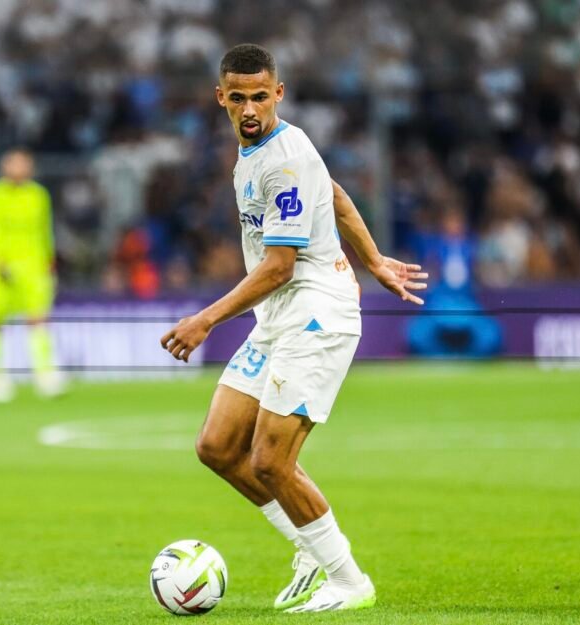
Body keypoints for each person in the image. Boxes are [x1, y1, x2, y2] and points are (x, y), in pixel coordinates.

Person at [161, 45, 428, 612]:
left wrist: (206, 319)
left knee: (269, 462)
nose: (250, 108)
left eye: (261, 96)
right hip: (280, 316)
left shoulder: (283, 157)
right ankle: (307, 545)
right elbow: (331, 194)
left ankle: (349, 581)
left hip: (315, 313)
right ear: (221, 99)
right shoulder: (258, 152)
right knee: (217, 446)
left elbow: (280, 265)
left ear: (278, 93)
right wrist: (374, 258)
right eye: (239, 98)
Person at [0, 148, 63, 402]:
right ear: (5, 167)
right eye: (14, 164)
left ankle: (45, 375)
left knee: (38, 319)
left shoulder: (38, 194)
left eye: (24, 164)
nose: (19, 169)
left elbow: (45, 230)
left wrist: (49, 261)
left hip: (34, 266)